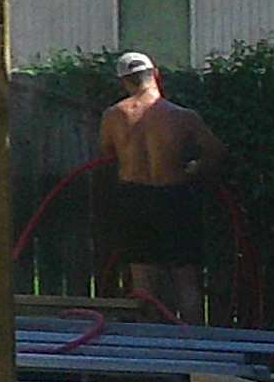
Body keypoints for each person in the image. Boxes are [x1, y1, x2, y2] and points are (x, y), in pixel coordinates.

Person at [95, 51, 226, 323]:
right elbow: (216, 152)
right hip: (174, 197)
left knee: (142, 281)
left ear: (123, 82)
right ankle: (194, 341)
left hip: (133, 197)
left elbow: (107, 152)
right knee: (186, 278)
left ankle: (149, 342)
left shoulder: (113, 116)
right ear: (155, 74)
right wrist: (195, 167)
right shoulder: (183, 117)